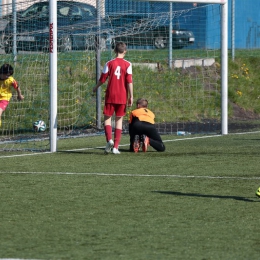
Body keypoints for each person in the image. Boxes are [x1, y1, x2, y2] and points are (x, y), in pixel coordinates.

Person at [93, 42, 133, 154]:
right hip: (122, 96)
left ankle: (109, 140)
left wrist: (96, 87)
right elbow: (129, 81)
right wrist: (131, 96)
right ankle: (115, 147)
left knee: (107, 118)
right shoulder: (128, 64)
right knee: (119, 120)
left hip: (111, 95)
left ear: (115, 51)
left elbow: (102, 79)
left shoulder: (109, 63)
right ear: (125, 51)